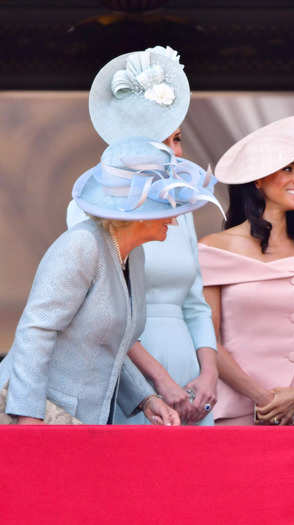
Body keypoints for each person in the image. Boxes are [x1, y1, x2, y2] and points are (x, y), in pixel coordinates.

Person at [0, 137, 218, 424]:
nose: (175, 220)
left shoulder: (134, 256)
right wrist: (29, 419)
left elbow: (112, 344)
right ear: (136, 213)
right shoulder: (82, 245)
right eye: (164, 209)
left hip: (81, 421)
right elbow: (36, 330)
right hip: (38, 415)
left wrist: (146, 398)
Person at [66, 47, 221, 425]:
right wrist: (158, 381)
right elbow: (102, 312)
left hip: (190, 378)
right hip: (130, 380)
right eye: (170, 141)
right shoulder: (89, 206)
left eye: (179, 139)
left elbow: (196, 302)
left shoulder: (178, 210)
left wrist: (209, 373)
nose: (179, 152)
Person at [199, 114, 294, 425]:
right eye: (288, 169)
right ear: (258, 179)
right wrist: (263, 398)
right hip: (238, 409)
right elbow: (208, 338)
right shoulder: (213, 249)